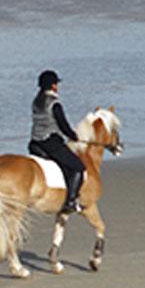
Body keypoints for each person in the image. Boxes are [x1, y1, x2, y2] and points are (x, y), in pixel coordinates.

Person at [29, 70, 85, 214]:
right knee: (78, 167)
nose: (57, 87)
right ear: (53, 86)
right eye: (56, 84)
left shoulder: (36, 101)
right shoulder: (54, 103)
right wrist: (73, 135)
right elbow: (62, 124)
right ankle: (71, 201)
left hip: (35, 142)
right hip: (50, 143)